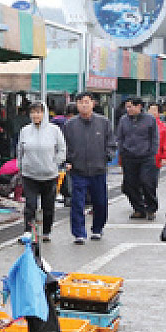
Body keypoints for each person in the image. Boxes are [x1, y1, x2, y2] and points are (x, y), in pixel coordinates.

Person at [62, 93, 116, 244]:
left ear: (93, 103)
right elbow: (64, 146)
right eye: (80, 102)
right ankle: (79, 233)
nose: (84, 105)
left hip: (98, 170)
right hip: (78, 170)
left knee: (100, 202)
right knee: (77, 202)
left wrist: (106, 157)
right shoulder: (70, 125)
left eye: (87, 102)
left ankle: (97, 229)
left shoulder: (104, 122)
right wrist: (67, 160)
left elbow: (111, 144)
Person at [17, 101, 67, 241]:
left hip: (49, 175)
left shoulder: (54, 130)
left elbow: (62, 149)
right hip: (29, 175)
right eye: (33, 112)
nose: (35, 115)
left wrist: (55, 163)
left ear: (44, 113)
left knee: (48, 206)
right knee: (30, 205)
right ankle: (28, 231)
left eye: (38, 112)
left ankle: (46, 231)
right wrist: (20, 166)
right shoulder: (25, 131)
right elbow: (20, 150)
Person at [117, 98, 160, 220]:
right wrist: (122, 151)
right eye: (127, 107)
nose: (128, 109)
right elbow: (120, 137)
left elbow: (154, 138)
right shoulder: (124, 120)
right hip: (129, 157)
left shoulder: (149, 119)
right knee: (130, 185)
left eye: (131, 107)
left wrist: (152, 152)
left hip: (146, 157)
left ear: (139, 106)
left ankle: (151, 208)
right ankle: (139, 209)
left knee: (147, 182)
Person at [146, 101, 166, 176]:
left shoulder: (162, 127)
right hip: (142, 158)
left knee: (151, 183)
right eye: (150, 110)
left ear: (158, 113)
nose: (152, 112)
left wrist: (165, 157)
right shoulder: (141, 124)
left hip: (156, 159)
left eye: (154, 110)